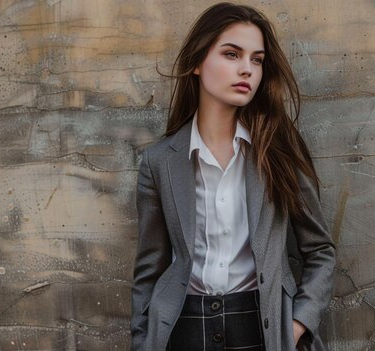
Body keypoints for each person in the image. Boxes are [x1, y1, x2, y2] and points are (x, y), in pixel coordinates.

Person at [130, 3, 336, 351]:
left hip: (264, 326)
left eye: (257, 59)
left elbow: (320, 251)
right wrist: (142, 340)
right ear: (197, 63)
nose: (247, 70)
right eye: (231, 54)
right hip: (183, 328)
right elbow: (149, 270)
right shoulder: (159, 162)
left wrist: (299, 323)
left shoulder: (278, 151)